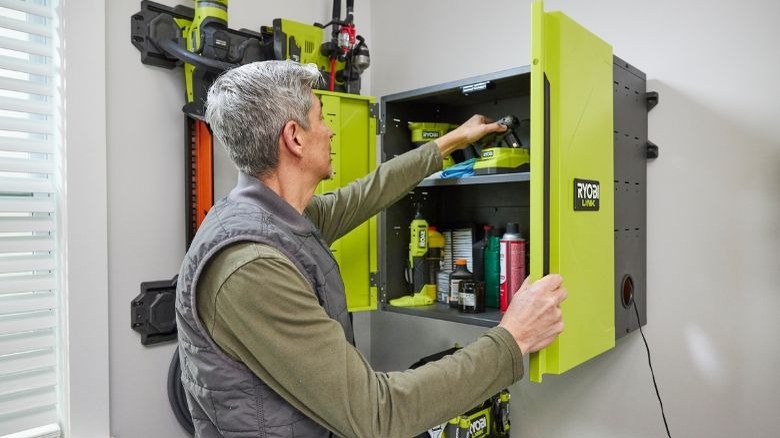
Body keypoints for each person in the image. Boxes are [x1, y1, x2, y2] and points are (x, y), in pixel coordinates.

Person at [175, 60, 567, 438]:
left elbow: (366, 193)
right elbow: (376, 415)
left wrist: (449, 143)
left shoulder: (274, 214)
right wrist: (513, 339)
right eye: (321, 117)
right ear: (294, 137)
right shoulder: (251, 269)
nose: (330, 131)